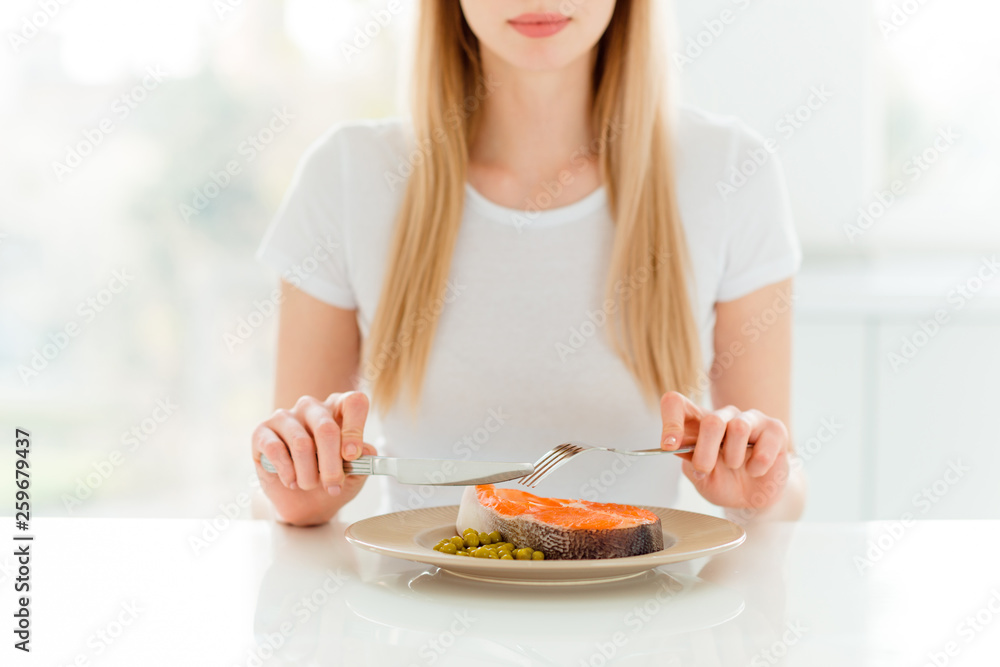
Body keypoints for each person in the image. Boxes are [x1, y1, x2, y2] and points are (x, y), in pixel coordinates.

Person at [253, 0, 805, 526]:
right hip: (416, 613)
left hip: (644, 614)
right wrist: (300, 485)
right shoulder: (347, 176)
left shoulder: (732, 173)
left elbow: (779, 484)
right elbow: (291, 492)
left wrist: (759, 494)